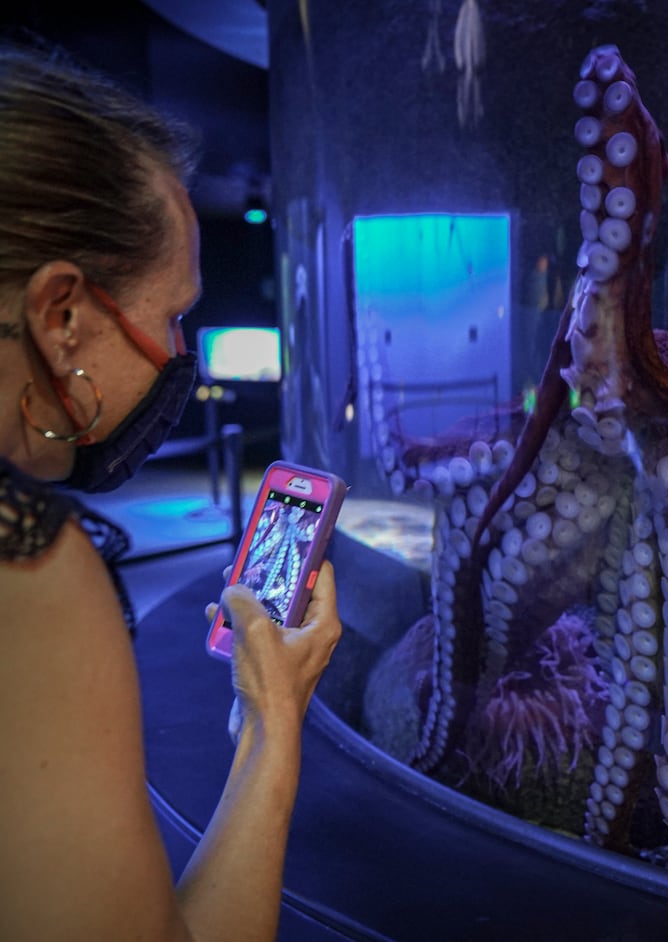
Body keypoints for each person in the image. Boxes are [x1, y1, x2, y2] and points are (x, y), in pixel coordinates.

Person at [0, 40, 342, 940]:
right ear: (62, 314)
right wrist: (273, 727)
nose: (180, 355)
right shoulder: (30, 571)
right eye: (172, 316)